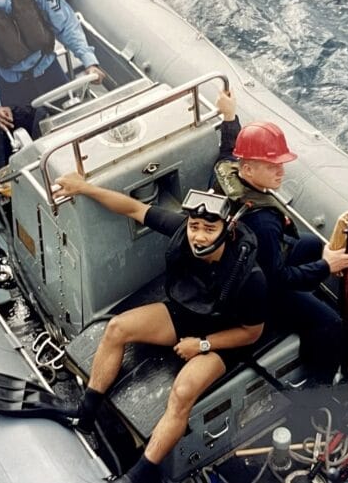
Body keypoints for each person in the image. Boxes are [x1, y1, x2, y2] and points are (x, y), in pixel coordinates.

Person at [53, 174, 268, 483]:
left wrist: (203, 344)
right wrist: (84, 188)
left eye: (209, 229)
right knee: (116, 328)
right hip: (187, 313)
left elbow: (252, 333)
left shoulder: (250, 277)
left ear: (228, 230)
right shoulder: (183, 232)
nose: (199, 237)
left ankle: (137, 476)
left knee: (182, 393)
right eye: (195, 227)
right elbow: (133, 209)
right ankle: (85, 413)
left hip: (223, 338)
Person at [214, 91, 348, 384]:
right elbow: (277, 279)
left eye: (280, 164)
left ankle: (305, 299)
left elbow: (228, 150)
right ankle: (319, 383)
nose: (281, 171)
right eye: (272, 166)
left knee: (311, 244)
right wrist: (327, 266)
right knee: (330, 323)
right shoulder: (263, 222)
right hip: (256, 290)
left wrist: (230, 117)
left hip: (239, 263)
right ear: (248, 169)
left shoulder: (225, 173)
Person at [0, 0, 106, 151]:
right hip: (12, 87)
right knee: (21, 148)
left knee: (80, 132)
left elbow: (66, 24)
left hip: (50, 72)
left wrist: (89, 61)